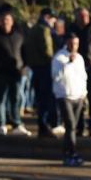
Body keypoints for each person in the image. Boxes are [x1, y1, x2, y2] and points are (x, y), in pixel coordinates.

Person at [0, 11, 28, 135]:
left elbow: (24, 52)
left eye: (8, 20)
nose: (5, 22)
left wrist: (23, 66)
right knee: (1, 100)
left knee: (16, 98)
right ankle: (1, 124)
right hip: (0, 73)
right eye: (3, 20)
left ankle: (16, 123)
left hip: (17, 72)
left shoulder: (19, 36)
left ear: (12, 22)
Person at [51, 32, 88, 166]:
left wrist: (84, 93)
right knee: (70, 125)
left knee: (73, 127)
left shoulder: (80, 58)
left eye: (76, 44)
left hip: (78, 96)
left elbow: (83, 77)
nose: (74, 46)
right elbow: (56, 75)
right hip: (64, 96)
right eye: (71, 43)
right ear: (66, 43)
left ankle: (69, 152)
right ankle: (70, 153)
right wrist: (68, 63)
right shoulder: (59, 58)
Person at [24, 8, 58, 137]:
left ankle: (43, 125)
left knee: (40, 99)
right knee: (46, 99)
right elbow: (47, 50)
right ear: (48, 17)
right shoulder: (44, 30)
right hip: (45, 68)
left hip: (35, 67)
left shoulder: (33, 29)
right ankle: (45, 126)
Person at [69, 8, 91, 138]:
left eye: (86, 15)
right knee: (78, 100)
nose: (84, 18)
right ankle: (80, 127)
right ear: (76, 17)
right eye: (81, 16)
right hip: (76, 70)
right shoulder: (71, 30)